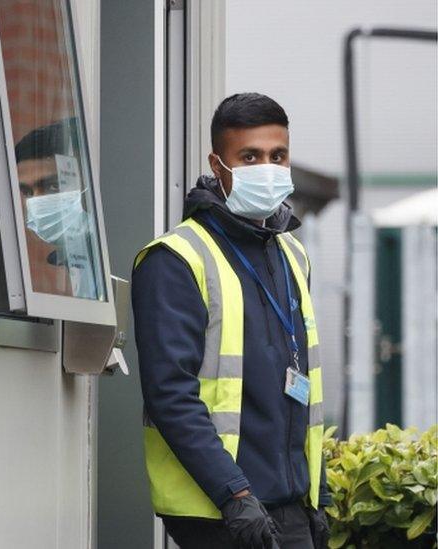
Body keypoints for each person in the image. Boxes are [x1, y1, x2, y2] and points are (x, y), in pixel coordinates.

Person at [132, 93, 331, 549]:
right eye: (250, 156)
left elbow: (303, 386)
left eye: (277, 155)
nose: (268, 167)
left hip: (291, 504)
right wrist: (235, 494)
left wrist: (317, 496)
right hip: (221, 509)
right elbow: (170, 394)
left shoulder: (290, 252)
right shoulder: (176, 259)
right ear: (218, 165)